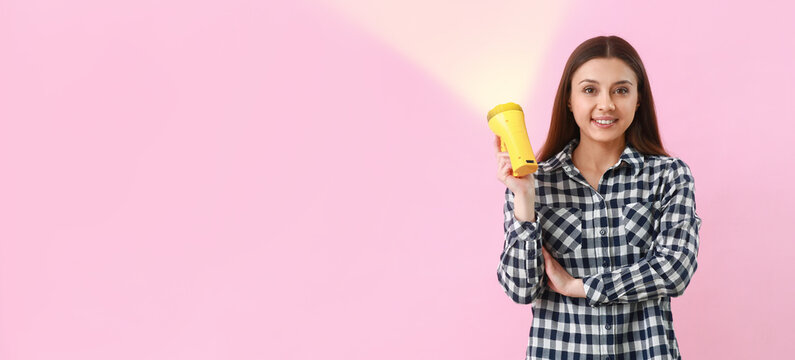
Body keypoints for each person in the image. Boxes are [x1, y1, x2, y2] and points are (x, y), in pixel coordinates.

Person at [494, 35, 701, 360]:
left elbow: (675, 269)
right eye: (590, 89)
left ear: (638, 99)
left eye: (621, 89)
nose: (606, 104)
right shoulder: (535, 182)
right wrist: (524, 197)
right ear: (569, 99)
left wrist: (580, 287)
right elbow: (520, 289)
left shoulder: (669, 176)